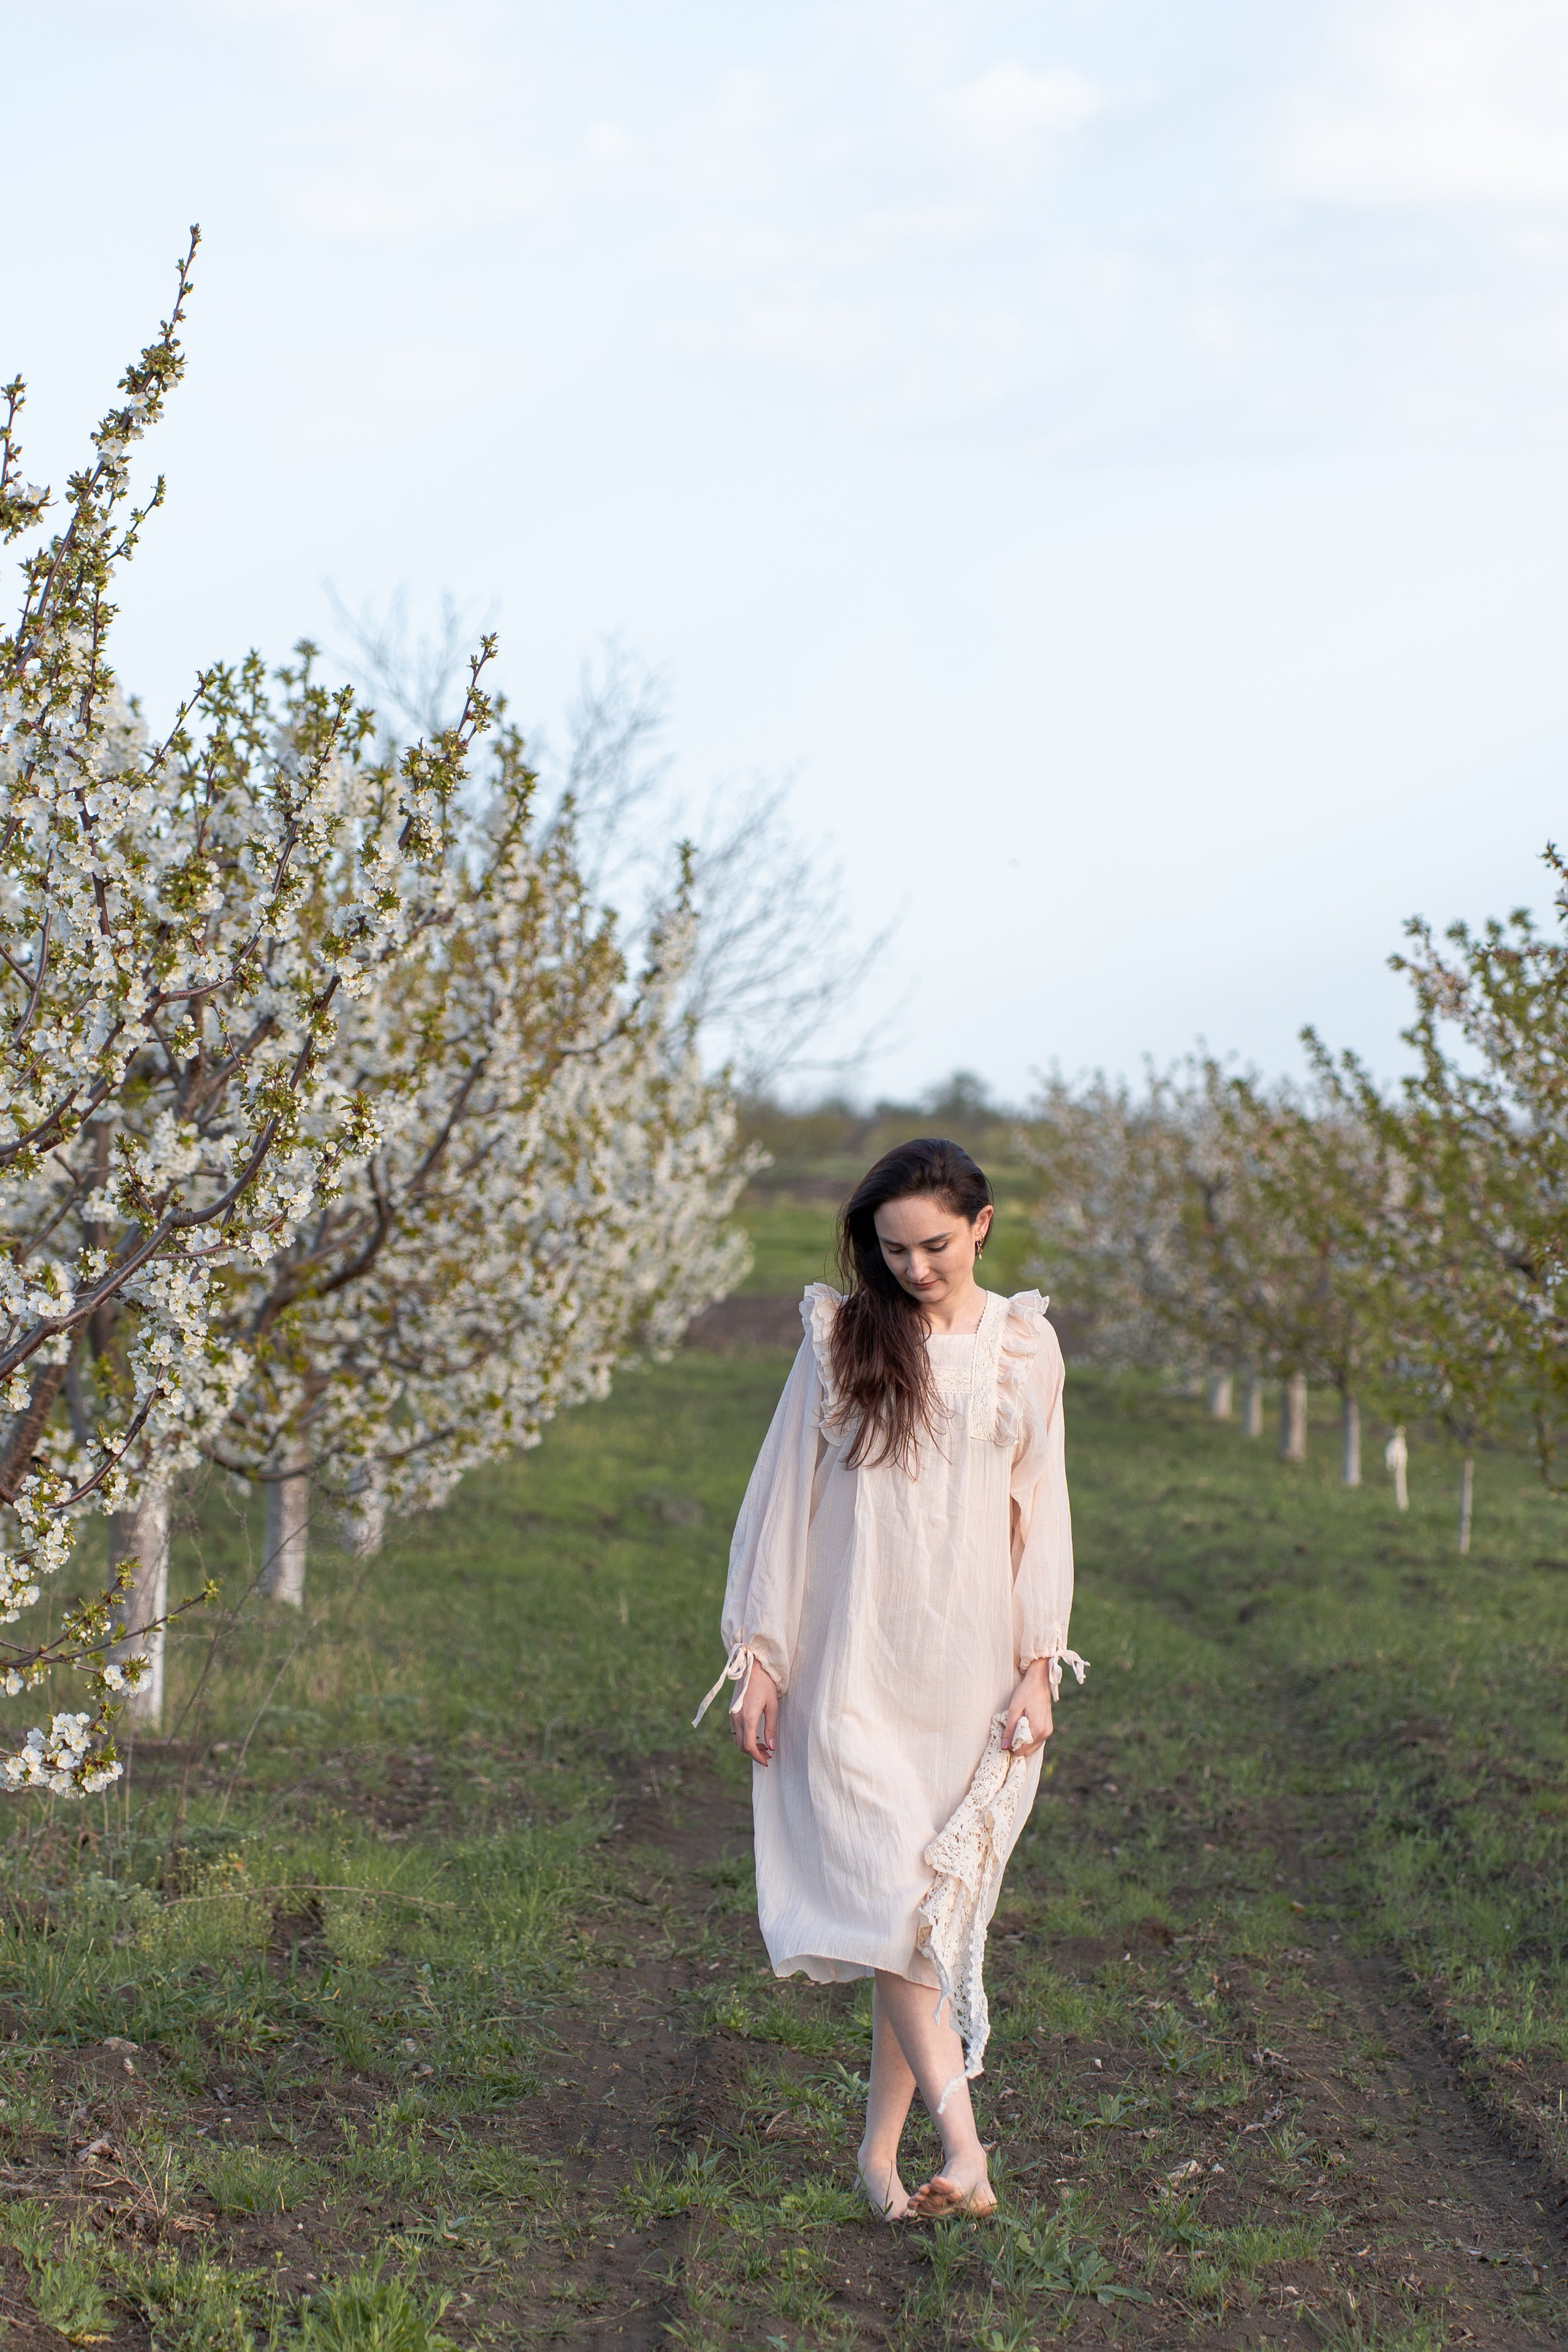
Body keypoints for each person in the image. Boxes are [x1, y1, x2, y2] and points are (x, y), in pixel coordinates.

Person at [694, 1137, 1085, 2220]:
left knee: (916, 1929)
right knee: (896, 1905)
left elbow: (1042, 1514)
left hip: (968, 1676)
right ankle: (967, 2151)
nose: (913, 1268)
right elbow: (784, 1499)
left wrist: (1038, 1666)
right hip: (850, 1667)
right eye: (893, 1249)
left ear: (983, 1227)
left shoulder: (1024, 1348)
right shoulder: (841, 1338)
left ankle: (878, 2159)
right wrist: (761, 1657)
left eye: (936, 1246)